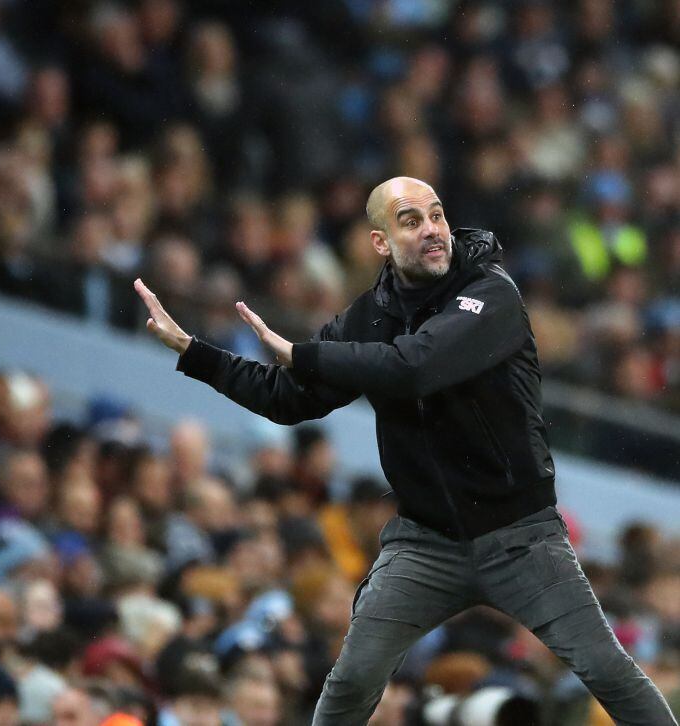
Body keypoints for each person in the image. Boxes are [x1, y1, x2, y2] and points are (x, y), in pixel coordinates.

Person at [135, 176, 677, 726]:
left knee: (607, 670)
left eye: (436, 215)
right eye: (410, 221)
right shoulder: (367, 317)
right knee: (350, 683)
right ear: (380, 243)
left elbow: (415, 367)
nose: (432, 230)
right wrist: (195, 353)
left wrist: (306, 353)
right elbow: (285, 399)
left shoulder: (492, 293)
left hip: (522, 536)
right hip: (425, 544)